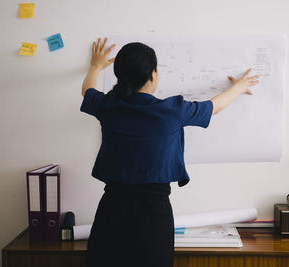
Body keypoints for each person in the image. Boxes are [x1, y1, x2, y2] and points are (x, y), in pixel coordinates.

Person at [81, 37, 259, 267]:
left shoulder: (108, 105)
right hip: (154, 213)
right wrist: (239, 86)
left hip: (112, 209)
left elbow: (87, 90)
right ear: (153, 75)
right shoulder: (171, 110)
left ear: (119, 76)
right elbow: (215, 106)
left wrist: (95, 66)